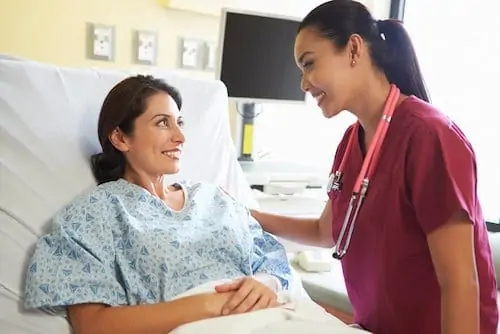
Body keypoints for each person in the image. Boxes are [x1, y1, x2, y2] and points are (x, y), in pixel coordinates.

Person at [250, 1, 499, 334]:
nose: (304, 84)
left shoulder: (428, 136)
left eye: (309, 64)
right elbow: (327, 232)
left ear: (353, 49)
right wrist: (248, 216)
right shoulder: (351, 141)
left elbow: (461, 282)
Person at [23, 75, 292, 334]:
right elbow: (93, 326)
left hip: (276, 319)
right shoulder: (94, 214)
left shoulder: (214, 198)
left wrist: (266, 281)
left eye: (180, 123)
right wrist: (209, 304)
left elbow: (271, 256)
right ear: (120, 138)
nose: (180, 137)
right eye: (163, 123)